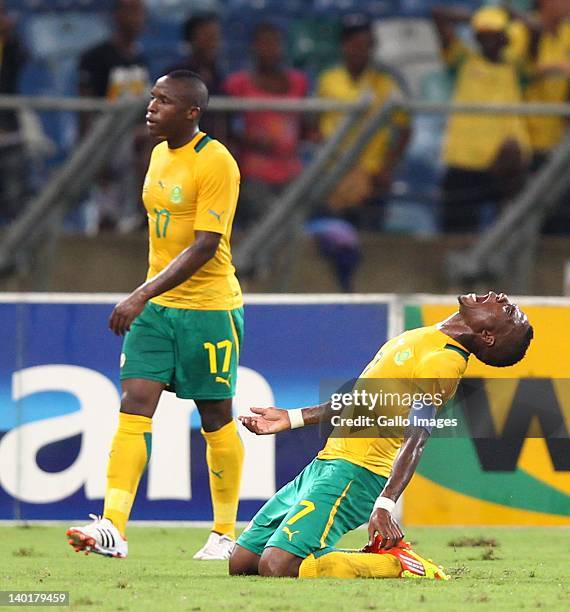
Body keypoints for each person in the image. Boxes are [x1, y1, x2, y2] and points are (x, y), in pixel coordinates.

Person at [66, 70, 244, 561]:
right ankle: (114, 528)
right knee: (134, 404)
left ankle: (225, 533)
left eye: (163, 101)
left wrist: (139, 293)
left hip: (208, 310)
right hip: (157, 310)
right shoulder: (159, 153)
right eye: (151, 98)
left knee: (215, 418)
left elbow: (207, 246)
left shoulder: (217, 163)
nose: (151, 108)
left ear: (192, 112)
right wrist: (147, 297)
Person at [229, 291, 533, 579]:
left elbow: (418, 437)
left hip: (359, 472)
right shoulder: (429, 336)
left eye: (506, 310)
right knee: (242, 561)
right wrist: (293, 417)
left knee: (277, 566)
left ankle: (394, 563)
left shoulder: (444, 361)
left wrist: (386, 503)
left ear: (487, 336)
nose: (500, 297)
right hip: (327, 463)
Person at [313, 14, 410, 290]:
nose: (359, 49)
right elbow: (314, 124)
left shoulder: (384, 83)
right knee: (335, 241)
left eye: (365, 43)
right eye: (353, 43)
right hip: (334, 176)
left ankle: (367, 289)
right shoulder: (328, 79)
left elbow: (404, 128)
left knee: (368, 241)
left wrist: (388, 168)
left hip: (372, 176)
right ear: (344, 45)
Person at [433, 6, 531, 233]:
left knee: (509, 230)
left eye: (494, 35)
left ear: (505, 38)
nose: (489, 40)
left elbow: (536, 31)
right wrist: (479, 19)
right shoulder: (464, 60)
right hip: (463, 160)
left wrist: (508, 17)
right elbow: (438, 15)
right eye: (483, 36)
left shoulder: (516, 66)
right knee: (456, 230)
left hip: (504, 163)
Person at [224, 22, 309, 228]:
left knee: (300, 205)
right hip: (254, 171)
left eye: (274, 44)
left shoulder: (298, 83)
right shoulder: (238, 84)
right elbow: (228, 129)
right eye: (263, 44)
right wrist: (252, 140)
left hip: (291, 169)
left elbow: (306, 126)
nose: (269, 50)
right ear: (253, 48)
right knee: (267, 212)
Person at [78, 0, 150, 232]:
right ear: (116, 15)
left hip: (135, 136)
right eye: (130, 11)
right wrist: (92, 149)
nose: (136, 19)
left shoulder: (140, 59)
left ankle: (146, 213)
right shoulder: (96, 57)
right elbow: (86, 106)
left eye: (139, 12)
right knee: (106, 215)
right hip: (107, 134)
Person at [167, 12, 228, 141]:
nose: (213, 42)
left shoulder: (219, 76)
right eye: (207, 36)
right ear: (192, 39)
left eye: (216, 37)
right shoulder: (177, 74)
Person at [0, 0, 26, 222]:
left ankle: (16, 255)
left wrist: (7, 34)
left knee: (15, 201)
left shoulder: (10, 46)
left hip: (8, 134)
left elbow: (19, 58)